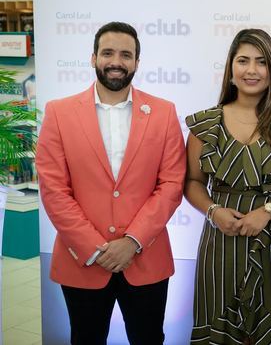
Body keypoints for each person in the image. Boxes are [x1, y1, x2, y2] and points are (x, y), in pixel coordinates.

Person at [36, 22, 186, 344]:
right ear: (93, 58)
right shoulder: (59, 113)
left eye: (126, 54)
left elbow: (172, 184)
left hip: (146, 258)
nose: (116, 61)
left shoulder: (163, 112)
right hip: (83, 261)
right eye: (107, 53)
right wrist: (95, 248)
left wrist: (132, 241)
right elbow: (53, 189)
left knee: (149, 339)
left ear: (137, 62)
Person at [184, 28, 271, 344]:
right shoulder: (205, 125)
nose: (251, 70)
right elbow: (192, 182)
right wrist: (213, 211)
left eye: (260, 62)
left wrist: (268, 211)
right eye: (243, 61)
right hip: (222, 243)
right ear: (231, 70)